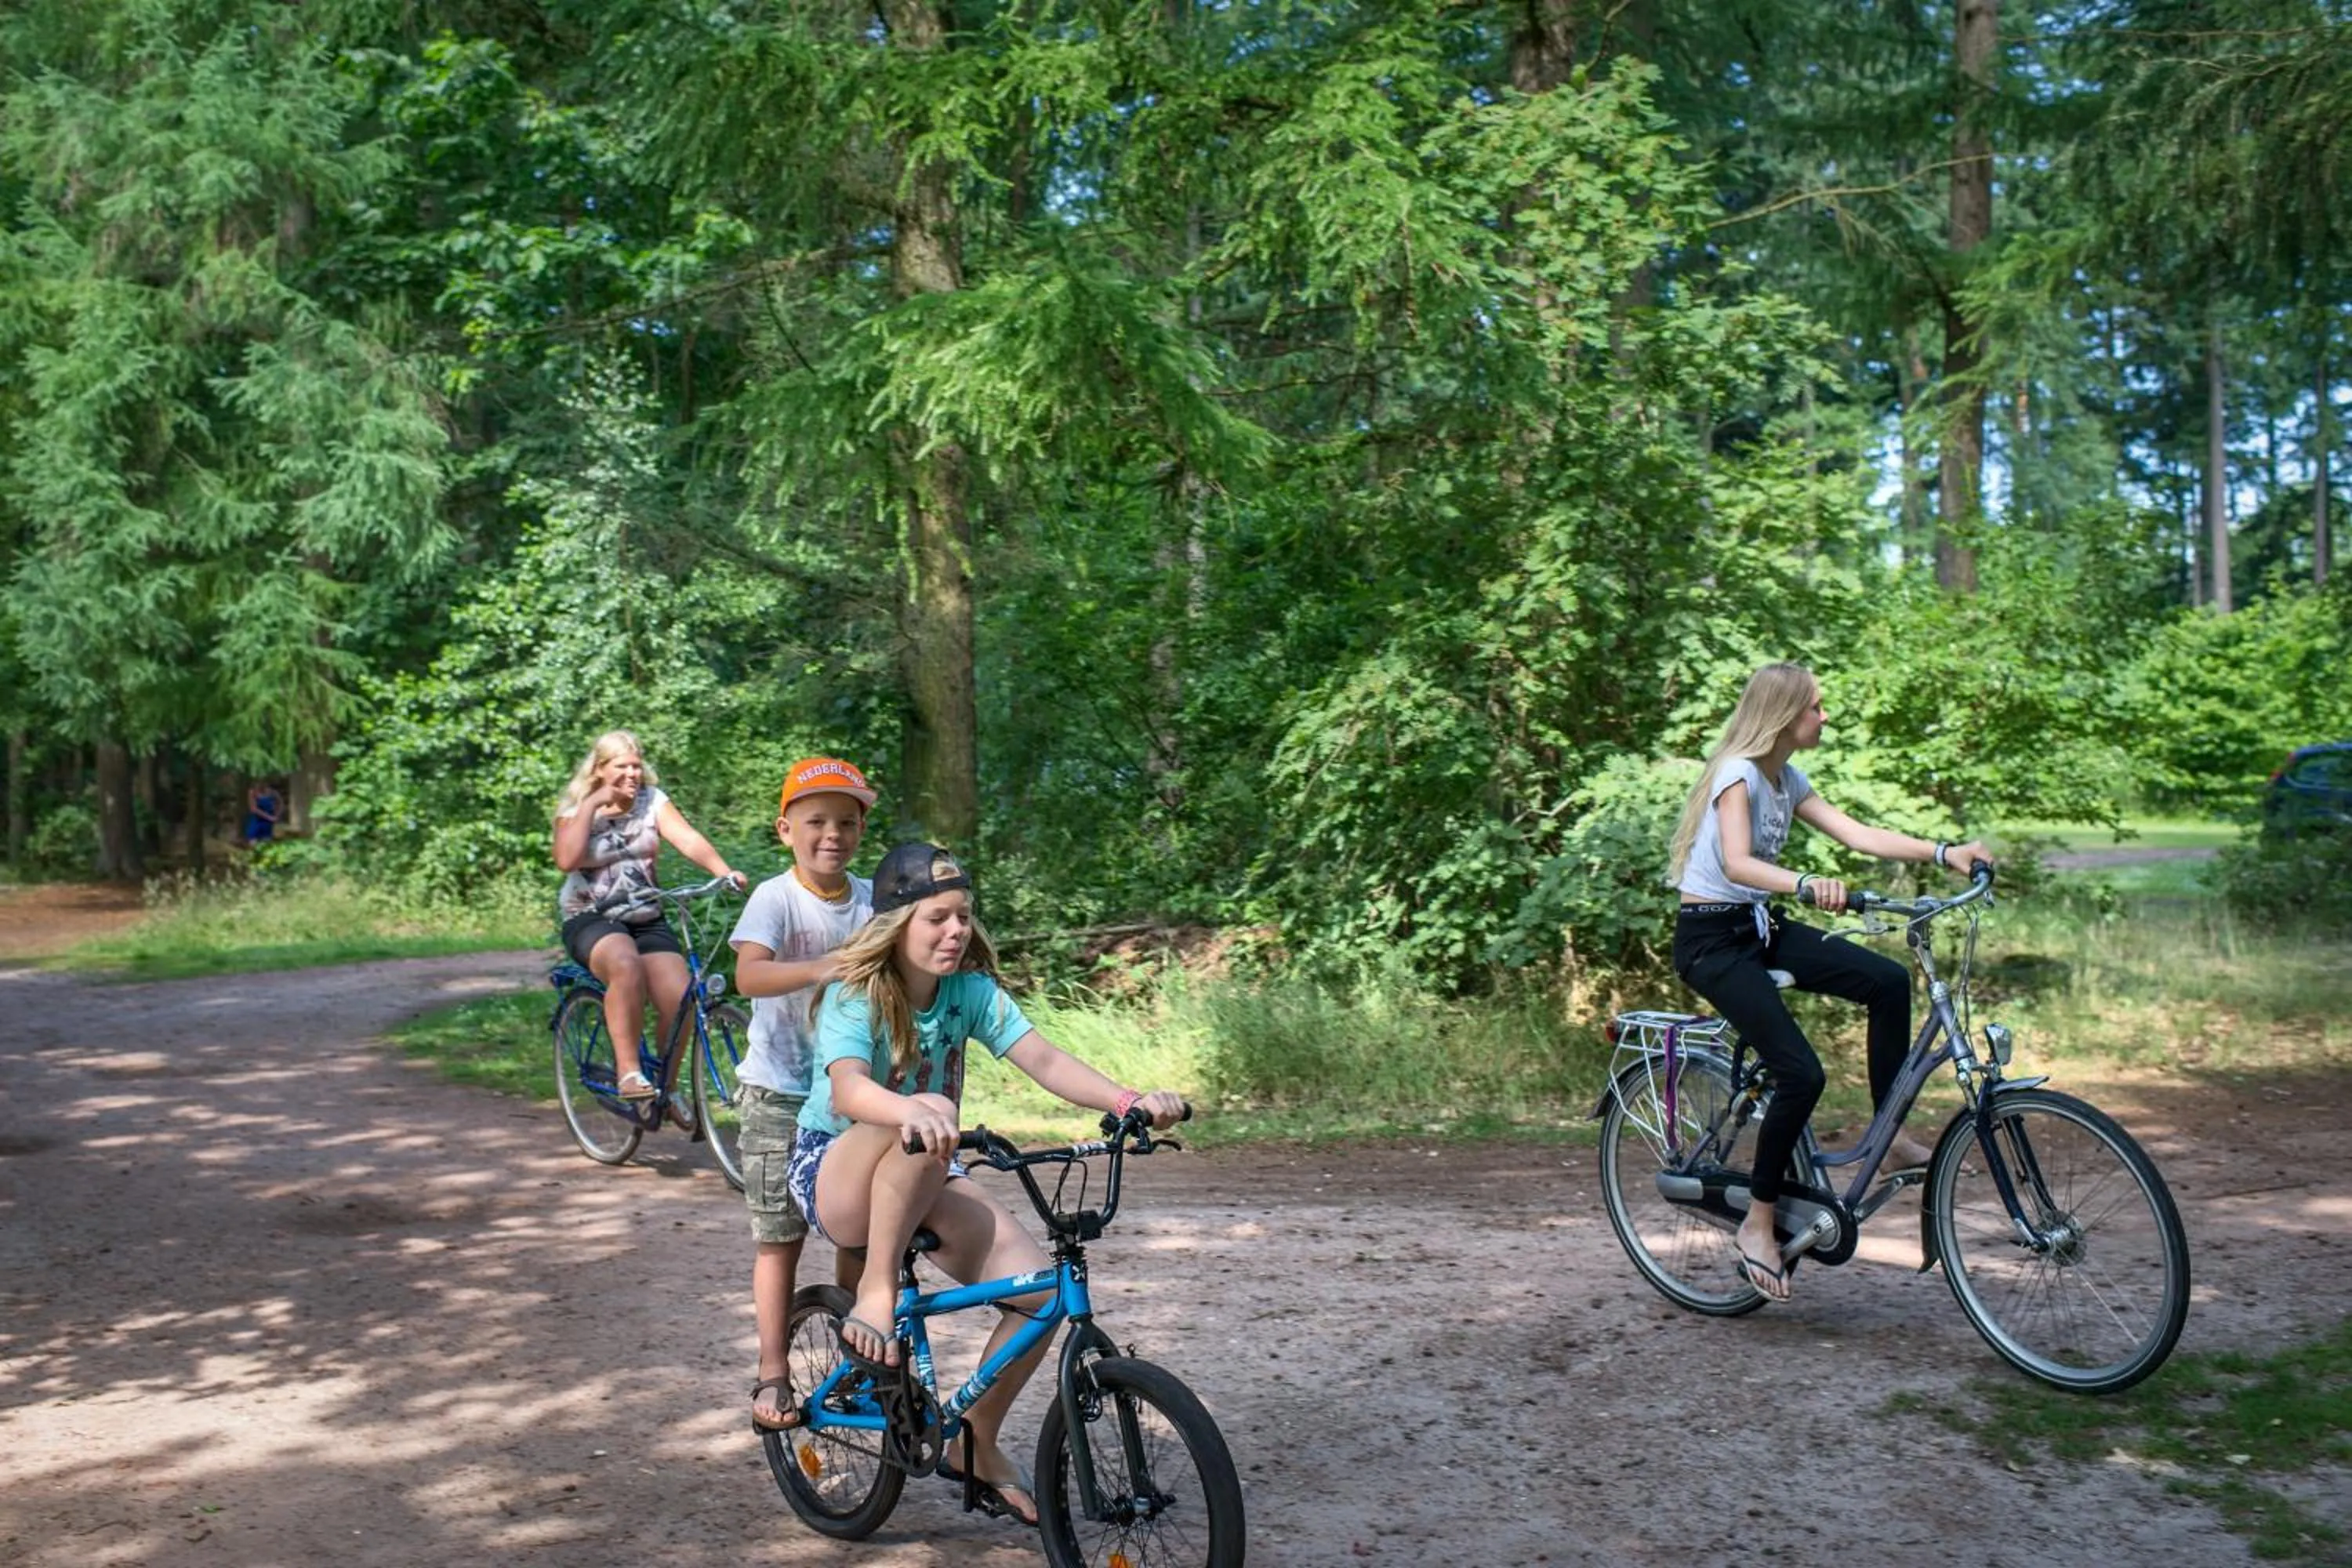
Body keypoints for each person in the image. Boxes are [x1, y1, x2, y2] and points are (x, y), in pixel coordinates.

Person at [789, 842, 1186, 1528]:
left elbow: (1044, 1059)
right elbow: (851, 1089)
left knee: (1038, 1291)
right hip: (836, 1170)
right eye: (937, 918)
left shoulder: (968, 993)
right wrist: (914, 1107)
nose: (955, 932)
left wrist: (1126, 1100)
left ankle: (974, 1437)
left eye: (964, 917)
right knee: (933, 1114)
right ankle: (878, 1289)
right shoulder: (858, 996)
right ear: (896, 924)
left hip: (927, 1161)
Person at [1665, 662, 1991, 1304]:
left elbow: (1859, 834)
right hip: (1710, 939)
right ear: (1785, 714)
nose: (1825, 716)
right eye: (1816, 707)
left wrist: (1944, 852)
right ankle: (1758, 1222)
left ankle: (1890, 1134)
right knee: (1802, 1074)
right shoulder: (1737, 773)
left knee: (1888, 982)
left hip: (1757, 926)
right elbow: (1736, 862)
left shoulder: (1786, 778)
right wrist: (1807, 884)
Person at [728, 757, 880, 1433]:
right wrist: (824, 968)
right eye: (816, 821)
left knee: (860, 1226)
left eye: (846, 822)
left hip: (854, 1096)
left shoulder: (876, 899)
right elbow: (749, 976)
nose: (833, 834)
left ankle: (854, 1353)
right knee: (780, 1236)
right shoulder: (775, 897)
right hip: (779, 1092)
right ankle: (772, 1368)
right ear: (785, 829)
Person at [552, 730, 744, 1100]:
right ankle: (629, 1073)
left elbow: (687, 839)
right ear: (600, 769)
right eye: (621, 766)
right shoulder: (576, 812)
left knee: (681, 998)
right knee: (625, 965)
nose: (632, 774)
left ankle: (666, 1090)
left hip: (645, 915)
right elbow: (566, 860)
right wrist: (593, 804)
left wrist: (724, 872)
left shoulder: (653, 801)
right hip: (590, 917)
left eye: (636, 766)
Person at [242, 781, 282, 846]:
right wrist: (270, 817)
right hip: (256, 819)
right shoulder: (252, 792)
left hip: (267, 822)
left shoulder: (272, 792)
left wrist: (277, 815)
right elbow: (253, 809)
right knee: (253, 841)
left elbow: (280, 803)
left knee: (266, 842)